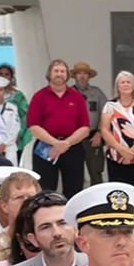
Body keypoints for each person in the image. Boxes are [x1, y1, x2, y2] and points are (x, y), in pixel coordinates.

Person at [28, 60, 92, 197]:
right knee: (45, 190)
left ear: (67, 75)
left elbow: (85, 128)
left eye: (62, 71)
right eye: (56, 71)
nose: (59, 74)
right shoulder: (39, 97)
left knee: (74, 189)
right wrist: (55, 143)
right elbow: (33, 127)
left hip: (72, 148)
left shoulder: (77, 97)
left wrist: (66, 144)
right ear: (49, 74)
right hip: (45, 148)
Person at [72, 63, 109, 186]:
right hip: (73, 137)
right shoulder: (68, 93)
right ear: (75, 76)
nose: (82, 76)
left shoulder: (97, 93)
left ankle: (97, 202)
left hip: (93, 136)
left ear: (89, 76)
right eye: (79, 73)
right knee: (74, 173)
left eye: (85, 73)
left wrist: (99, 133)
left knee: (96, 172)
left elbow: (106, 113)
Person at [0, 75, 24, 163]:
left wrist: (4, 144)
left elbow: (15, 128)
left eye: (1, 89)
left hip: (9, 148)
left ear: (5, 91)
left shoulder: (12, 107)